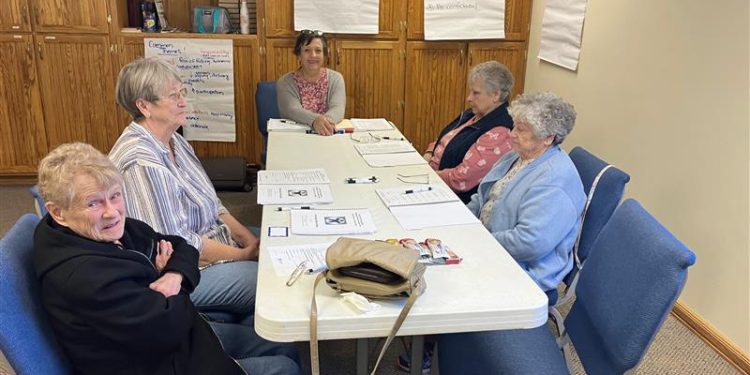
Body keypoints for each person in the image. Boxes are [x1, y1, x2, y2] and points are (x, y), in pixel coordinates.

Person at [34, 142, 300, 375]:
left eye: (115, 196)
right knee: (285, 367)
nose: (111, 212)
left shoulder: (98, 231)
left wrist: (172, 276)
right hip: (163, 362)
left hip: (182, 341)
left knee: (284, 341)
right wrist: (174, 280)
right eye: (93, 203)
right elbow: (169, 328)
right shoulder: (85, 278)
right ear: (58, 212)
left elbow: (182, 246)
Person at [109, 56, 258, 324]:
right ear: (144, 106)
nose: (182, 101)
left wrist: (250, 240)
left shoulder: (174, 140)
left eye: (182, 92)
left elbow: (214, 205)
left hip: (217, 244)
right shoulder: (142, 162)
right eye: (173, 96)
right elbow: (176, 244)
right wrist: (244, 256)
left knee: (279, 245)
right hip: (184, 272)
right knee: (273, 283)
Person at [467, 92, 585, 294]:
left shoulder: (554, 181)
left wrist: (478, 241)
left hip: (521, 270)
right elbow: (484, 195)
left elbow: (530, 242)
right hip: (487, 244)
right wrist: (461, 221)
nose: (511, 134)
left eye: (521, 130)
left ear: (548, 138)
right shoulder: (518, 155)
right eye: (514, 126)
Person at [423, 60, 516, 203]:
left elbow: (462, 178)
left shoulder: (499, 132)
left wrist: (426, 175)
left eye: (476, 93)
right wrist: (428, 155)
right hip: (432, 177)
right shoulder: (474, 114)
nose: (469, 98)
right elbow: (446, 139)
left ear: (496, 95)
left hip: (451, 196)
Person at [277, 29, 346, 136]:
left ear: (324, 55)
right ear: (299, 55)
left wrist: (323, 124)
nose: (313, 55)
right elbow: (293, 110)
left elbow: (338, 108)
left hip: (328, 135)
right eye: (307, 50)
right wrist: (315, 121)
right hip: (297, 138)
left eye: (318, 51)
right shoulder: (285, 82)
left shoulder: (336, 79)